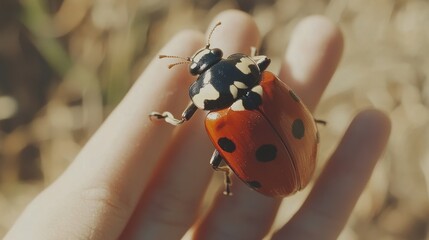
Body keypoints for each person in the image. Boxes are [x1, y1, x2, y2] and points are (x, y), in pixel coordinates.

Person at [4, 10, 390, 240]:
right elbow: (267, 74)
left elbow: (183, 116)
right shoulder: (264, 79)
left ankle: (226, 176)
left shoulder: (215, 115)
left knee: (214, 161)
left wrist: (167, 118)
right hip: (286, 157)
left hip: (274, 169)